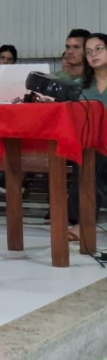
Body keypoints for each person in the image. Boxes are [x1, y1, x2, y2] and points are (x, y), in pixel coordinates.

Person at [66, 33, 107, 240]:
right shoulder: (80, 86)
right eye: (89, 52)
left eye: (99, 49)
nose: (93, 55)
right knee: (85, 160)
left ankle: (83, 223)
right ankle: (81, 222)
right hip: (89, 144)